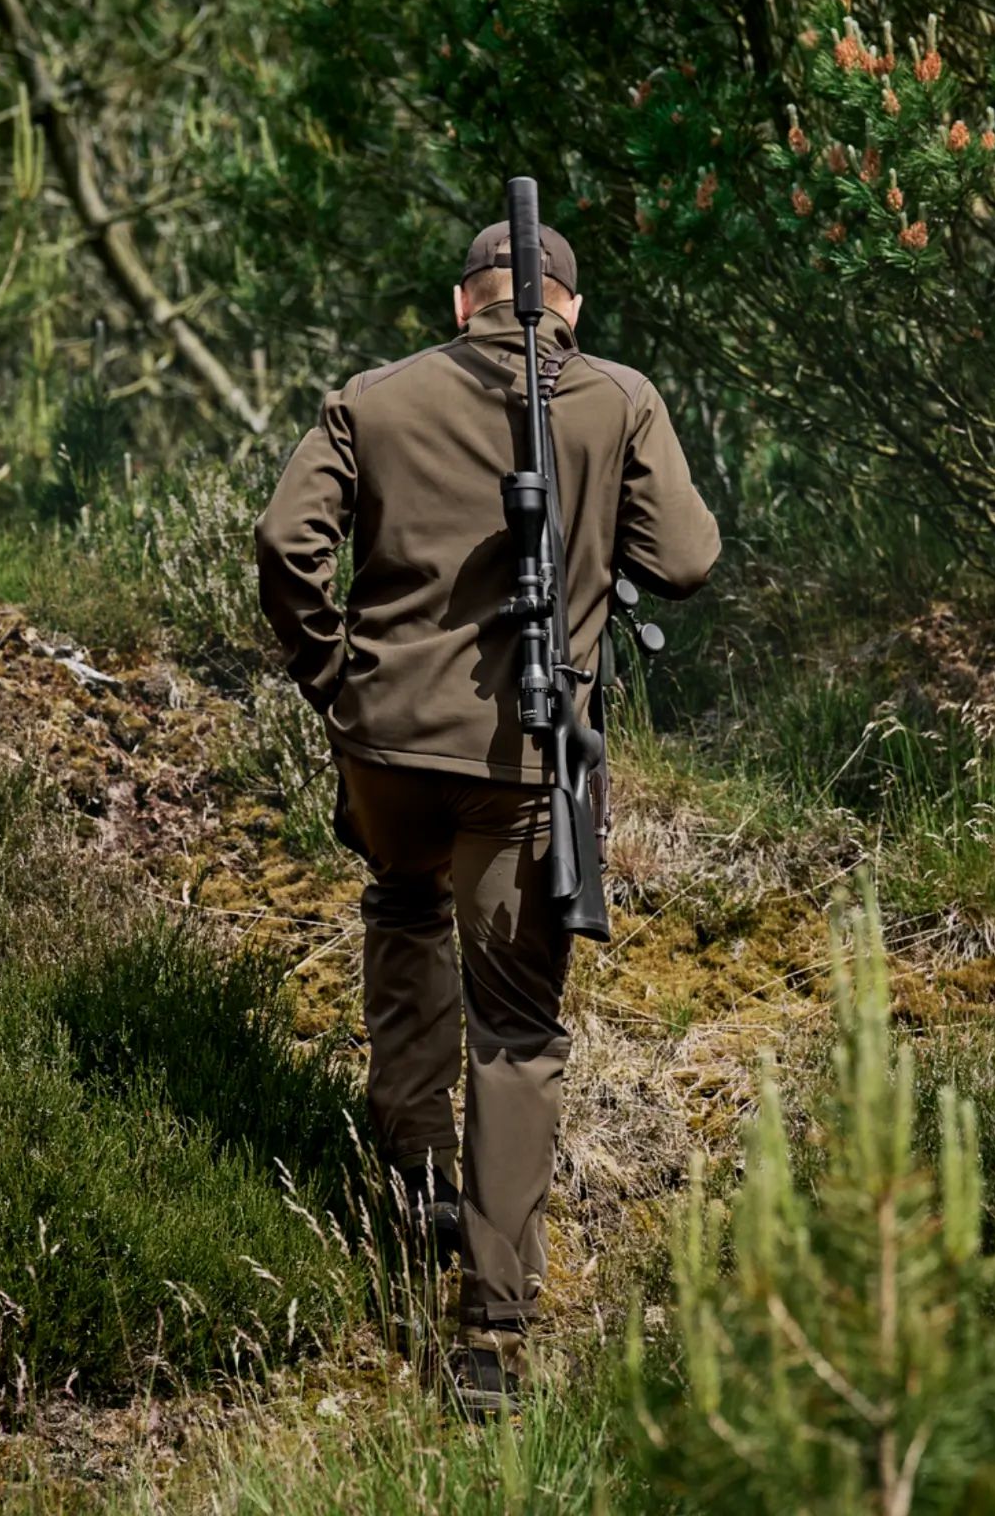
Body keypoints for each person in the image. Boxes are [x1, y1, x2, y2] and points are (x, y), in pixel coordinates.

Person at [254, 218, 721, 1415]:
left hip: (386, 748)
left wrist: (338, 680)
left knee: (401, 904)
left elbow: (282, 543)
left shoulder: (373, 397)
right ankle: (489, 1336)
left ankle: (412, 1180)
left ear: (464, 303)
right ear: (570, 307)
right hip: (524, 756)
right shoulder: (616, 397)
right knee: (515, 1025)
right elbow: (686, 560)